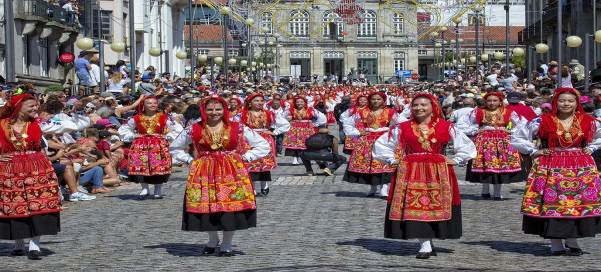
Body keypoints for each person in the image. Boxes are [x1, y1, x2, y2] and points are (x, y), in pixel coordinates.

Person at [373, 93, 476, 259]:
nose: (419, 108)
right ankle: (425, 245)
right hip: (410, 170)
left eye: (423, 105)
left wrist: (457, 159)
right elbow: (382, 144)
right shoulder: (403, 127)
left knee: (435, 205)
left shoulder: (446, 126)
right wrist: (392, 159)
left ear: (432, 106)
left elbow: (465, 144)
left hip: (439, 171)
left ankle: (428, 240)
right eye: (415, 105)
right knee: (414, 205)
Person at [169, 95, 270, 256]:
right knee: (208, 206)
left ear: (224, 110)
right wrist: (189, 160)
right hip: (204, 171)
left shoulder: (238, 127)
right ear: (203, 110)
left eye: (218, 109)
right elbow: (175, 148)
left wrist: (245, 157)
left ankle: (227, 244)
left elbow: (263, 145)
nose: (214, 112)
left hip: (232, 171)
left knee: (230, 207)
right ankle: (212, 239)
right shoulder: (194, 128)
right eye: (210, 109)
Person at [511, 87, 601, 255]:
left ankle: (572, 239)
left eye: (570, 101)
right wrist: (533, 151)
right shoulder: (542, 120)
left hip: (580, 166)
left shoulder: (588, 121)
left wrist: (592, 147)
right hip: (551, 165)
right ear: (555, 102)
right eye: (562, 100)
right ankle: (556, 242)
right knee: (552, 202)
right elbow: (518, 137)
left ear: (576, 103)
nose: (566, 104)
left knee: (578, 203)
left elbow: (599, 136)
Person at [0, 93, 62, 260]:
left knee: (38, 204)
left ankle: (35, 246)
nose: (36, 109)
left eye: (36, 106)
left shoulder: (37, 124)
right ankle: (19, 245)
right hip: (10, 169)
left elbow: (62, 127)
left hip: (36, 167)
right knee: (15, 205)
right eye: (31, 106)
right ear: (19, 107)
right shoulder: (2, 125)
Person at [459, 92, 526, 200]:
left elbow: (522, 124)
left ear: (500, 101)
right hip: (483, 141)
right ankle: (484, 191)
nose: (492, 103)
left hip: (502, 142)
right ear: (485, 101)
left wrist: (510, 131)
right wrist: (475, 130)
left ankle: (497, 192)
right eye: (489, 100)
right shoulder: (478, 111)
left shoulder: (508, 112)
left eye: (495, 100)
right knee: (485, 165)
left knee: (500, 165)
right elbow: (462, 124)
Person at [343, 92, 404, 198]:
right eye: (373, 99)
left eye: (378, 99)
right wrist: (358, 132)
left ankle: (384, 189)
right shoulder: (363, 112)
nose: (375, 101)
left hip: (384, 140)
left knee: (384, 163)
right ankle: (373, 187)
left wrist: (393, 132)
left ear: (383, 100)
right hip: (367, 140)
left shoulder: (390, 112)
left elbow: (401, 123)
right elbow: (348, 122)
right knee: (369, 164)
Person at [118, 96, 177, 199]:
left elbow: (176, 129)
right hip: (141, 145)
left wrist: (167, 136)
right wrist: (133, 136)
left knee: (158, 167)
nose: (153, 105)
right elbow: (124, 129)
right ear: (143, 105)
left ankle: (157, 189)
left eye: (154, 103)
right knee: (142, 166)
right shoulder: (136, 118)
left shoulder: (164, 117)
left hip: (158, 145)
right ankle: (144, 188)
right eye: (149, 103)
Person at [240, 93, 289, 196]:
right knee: (251, 163)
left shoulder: (269, 113)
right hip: (249, 140)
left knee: (264, 162)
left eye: (261, 101)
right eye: (256, 101)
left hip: (264, 139)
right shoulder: (243, 114)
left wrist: (274, 132)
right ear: (250, 103)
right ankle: (251, 186)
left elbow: (285, 124)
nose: (259, 103)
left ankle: (264, 184)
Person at [283, 96, 326, 165]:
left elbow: (321, 117)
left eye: (301, 102)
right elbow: (282, 117)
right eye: (297, 102)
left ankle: (310, 157)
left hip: (307, 129)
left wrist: (315, 124)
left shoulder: (310, 110)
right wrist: (287, 121)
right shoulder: (291, 110)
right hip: (294, 129)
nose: (299, 103)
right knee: (295, 144)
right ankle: (295, 158)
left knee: (308, 143)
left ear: (304, 103)